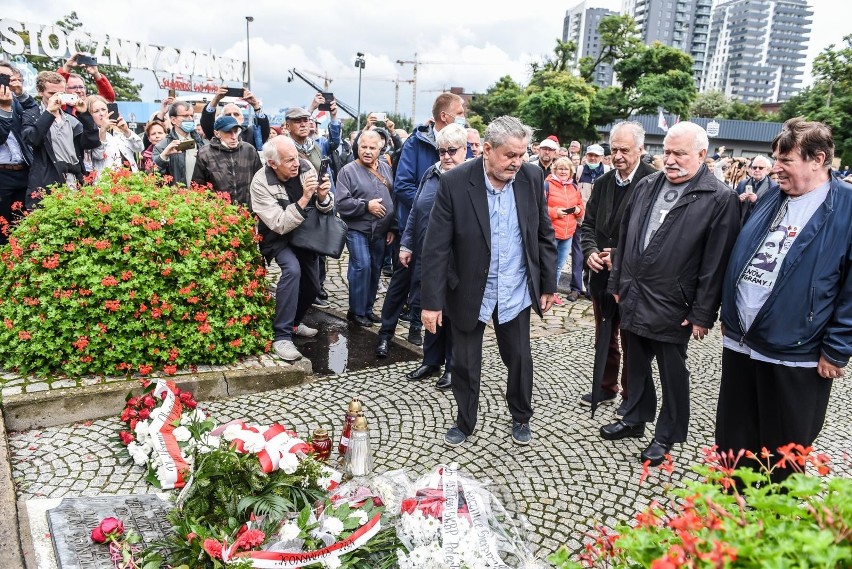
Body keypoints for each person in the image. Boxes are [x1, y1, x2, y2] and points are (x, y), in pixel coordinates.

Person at [716, 118, 851, 481]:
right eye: (774, 158)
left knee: (782, 453)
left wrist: (837, 347)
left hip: (795, 351)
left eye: (785, 160)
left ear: (817, 159)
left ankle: (773, 523)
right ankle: (731, 512)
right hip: (743, 342)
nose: (775, 168)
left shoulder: (847, 208)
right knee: (734, 439)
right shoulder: (772, 194)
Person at [600, 121, 740, 466]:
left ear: (702, 155)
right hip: (634, 293)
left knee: (672, 373)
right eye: (668, 152)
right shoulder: (648, 184)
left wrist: (702, 313)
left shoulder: (719, 198)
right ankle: (634, 417)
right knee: (636, 366)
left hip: (674, 303)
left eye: (680, 153)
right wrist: (617, 283)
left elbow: (716, 263)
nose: (672, 160)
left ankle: (667, 434)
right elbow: (625, 237)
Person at [420, 115, 557, 447]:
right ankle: (464, 422)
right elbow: (436, 246)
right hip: (469, 288)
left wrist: (549, 283)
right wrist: (431, 302)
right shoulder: (455, 182)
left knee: (520, 358)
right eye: (510, 155)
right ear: (486, 149)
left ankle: (521, 415)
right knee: (465, 361)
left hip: (515, 287)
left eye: (522, 154)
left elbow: (543, 233)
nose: (517, 162)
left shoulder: (532, 176)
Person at [375, 123, 469, 391]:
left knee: (452, 312)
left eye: (452, 150)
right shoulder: (431, 172)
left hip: (457, 257)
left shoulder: (470, 177)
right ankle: (431, 359)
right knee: (430, 306)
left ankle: (453, 365)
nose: (447, 156)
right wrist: (406, 244)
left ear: (465, 150)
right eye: (442, 151)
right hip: (427, 253)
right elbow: (416, 210)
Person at [579, 121, 657, 414]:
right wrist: (590, 252)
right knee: (604, 334)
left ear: (641, 150)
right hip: (601, 275)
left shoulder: (654, 182)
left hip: (633, 279)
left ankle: (630, 396)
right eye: (614, 150)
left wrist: (621, 256)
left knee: (632, 339)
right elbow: (587, 225)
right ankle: (605, 386)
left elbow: (655, 235)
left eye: (625, 149)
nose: (619, 155)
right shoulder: (603, 182)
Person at [251, 136, 333, 362]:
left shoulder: (306, 167)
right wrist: (306, 198)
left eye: (296, 157)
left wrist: (323, 198)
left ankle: (295, 323)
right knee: (292, 270)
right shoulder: (260, 182)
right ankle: (282, 336)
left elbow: (325, 208)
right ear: (273, 164)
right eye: (290, 161)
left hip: (305, 235)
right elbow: (278, 223)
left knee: (314, 284)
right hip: (277, 237)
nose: (297, 163)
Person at [284, 97, 341, 308]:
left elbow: (334, 143)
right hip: (298, 206)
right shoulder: (285, 147)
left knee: (319, 249)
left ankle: (317, 287)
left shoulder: (316, 146)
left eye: (306, 120)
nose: (303, 124)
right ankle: (304, 294)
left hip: (319, 204)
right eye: (297, 121)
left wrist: (333, 116)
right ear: (287, 125)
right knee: (302, 254)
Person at [335, 130, 395, 327]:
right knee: (362, 266)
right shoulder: (348, 171)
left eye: (372, 148)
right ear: (358, 147)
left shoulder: (386, 168)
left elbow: (393, 198)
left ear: (380, 149)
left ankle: (368, 309)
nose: (367, 151)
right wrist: (366, 206)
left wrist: (392, 227)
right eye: (364, 147)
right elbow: (341, 203)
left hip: (381, 230)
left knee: (376, 268)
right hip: (357, 229)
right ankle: (356, 311)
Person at [22, 71, 100, 211]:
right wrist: (49, 113)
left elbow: (91, 142)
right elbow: (32, 140)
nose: (57, 98)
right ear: (40, 92)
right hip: (47, 179)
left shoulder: (71, 118)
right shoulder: (31, 115)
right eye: (52, 94)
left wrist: (84, 114)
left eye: (61, 94)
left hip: (74, 178)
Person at [0, 60, 36, 243]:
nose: (7, 82)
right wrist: (5, 109)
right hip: (2, 175)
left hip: (23, 171)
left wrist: (21, 94)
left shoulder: (14, 100)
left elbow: (34, 112)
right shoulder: (7, 104)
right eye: (3, 78)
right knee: (3, 232)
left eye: (10, 78)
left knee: (24, 228)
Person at [192, 115, 263, 208]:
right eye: (228, 132)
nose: (234, 137)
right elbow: (197, 187)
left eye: (235, 131)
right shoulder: (205, 154)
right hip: (219, 214)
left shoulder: (249, 150)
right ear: (217, 134)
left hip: (248, 212)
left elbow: (261, 182)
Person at [567, 144, 607, 301]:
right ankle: (576, 288)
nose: (593, 158)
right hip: (581, 220)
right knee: (578, 255)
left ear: (602, 158)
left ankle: (591, 289)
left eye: (596, 156)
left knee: (596, 254)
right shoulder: (579, 171)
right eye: (590, 155)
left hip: (600, 223)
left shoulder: (608, 171)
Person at [545, 157, 584, 306]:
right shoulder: (547, 185)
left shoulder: (574, 187)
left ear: (570, 171)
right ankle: (544, 291)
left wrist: (578, 210)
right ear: (554, 170)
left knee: (559, 266)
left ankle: (553, 292)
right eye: (560, 168)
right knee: (548, 265)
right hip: (551, 233)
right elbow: (540, 208)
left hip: (568, 233)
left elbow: (581, 207)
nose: (563, 171)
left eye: (565, 169)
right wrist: (555, 212)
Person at [85, 95, 144, 178]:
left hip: (131, 182)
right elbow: (98, 155)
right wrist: (103, 131)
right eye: (96, 111)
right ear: (90, 115)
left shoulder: (119, 132)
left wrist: (126, 130)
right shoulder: (91, 134)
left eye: (103, 109)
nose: (101, 114)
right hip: (108, 185)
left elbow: (139, 148)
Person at [152, 100, 207, 186]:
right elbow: (153, 175)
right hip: (176, 197)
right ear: (173, 120)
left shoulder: (201, 143)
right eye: (185, 116)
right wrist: (163, 156)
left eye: (191, 116)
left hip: (198, 196)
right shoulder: (162, 146)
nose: (190, 119)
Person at [199, 87, 269, 151]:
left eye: (236, 114)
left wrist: (255, 105)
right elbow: (206, 123)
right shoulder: (218, 134)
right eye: (228, 115)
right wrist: (216, 99)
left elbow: (264, 130)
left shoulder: (251, 133)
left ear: (242, 119)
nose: (232, 117)